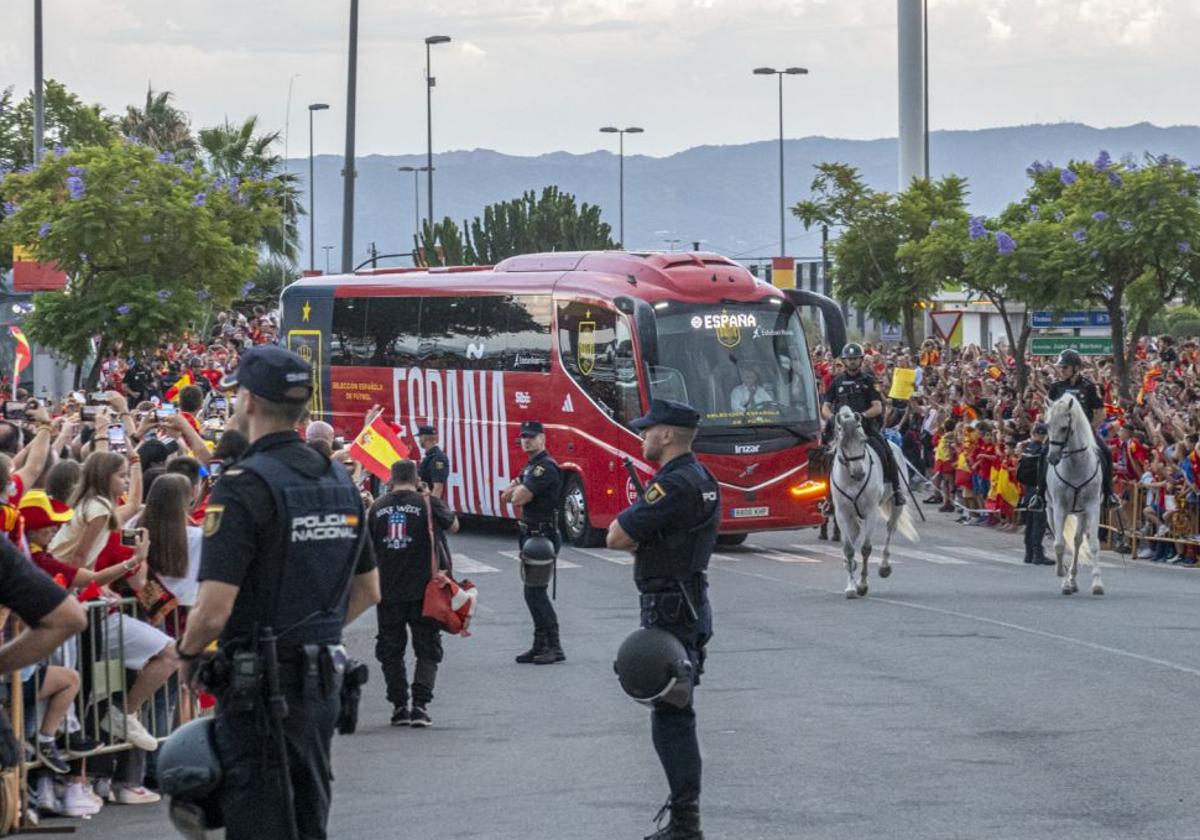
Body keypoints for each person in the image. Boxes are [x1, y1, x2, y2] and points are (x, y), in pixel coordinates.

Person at [176, 345, 380, 840]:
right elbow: (369, 590)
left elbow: (215, 608)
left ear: (247, 401)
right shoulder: (339, 480)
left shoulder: (244, 484)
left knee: (260, 819)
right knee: (309, 817)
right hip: (322, 682)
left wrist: (187, 654)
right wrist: (313, 628)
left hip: (260, 690)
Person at [606, 399, 719, 840]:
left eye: (649, 430)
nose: (643, 435)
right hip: (690, 602)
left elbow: (617, 535)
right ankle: (684, 819)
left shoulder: (672, 485)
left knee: (672, 716)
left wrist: (642, 539)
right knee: (676, 712)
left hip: (670, 608)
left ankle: (686, 824)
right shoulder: (703, 478)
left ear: (667, 435)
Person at [368, 459, 459, 728]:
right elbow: (453, 526)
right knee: (427, 648)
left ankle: (398, 706)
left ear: (391, 479)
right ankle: (420, 705)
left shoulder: (377, 507)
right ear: (416, 477)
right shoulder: (427, 504)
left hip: (387, 591)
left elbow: (367, 546)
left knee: (390, 650)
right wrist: (428, 496)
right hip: (425, 591)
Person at [500, 420, 564, 665]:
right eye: (524, 436)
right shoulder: (531, 466)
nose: (527, 440)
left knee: (535, 593)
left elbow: (517, 498)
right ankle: (540, 644)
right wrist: (517, 489)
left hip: (542, 535)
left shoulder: (544, 468)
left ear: (543, 439)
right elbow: (507, 496)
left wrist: (518, 489)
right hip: (529, 534)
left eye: (532, 436)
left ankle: (554, 646)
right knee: (532, 592)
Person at [1028, 349, 1119, 510]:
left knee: (1105, 452)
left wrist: (1088, 429)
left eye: (1065, 368)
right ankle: (1040, 495)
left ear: (1075, 368)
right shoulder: (1056, 387)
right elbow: (1051, 410)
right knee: (1043, 454)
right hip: (1061, 433)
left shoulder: (1089, 387)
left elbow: (1101, 413)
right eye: (1061, 368)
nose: (1061, 371)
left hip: (1084, 433)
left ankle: (1109, 493)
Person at [820, 343, 906, 507]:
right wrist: (832, 418)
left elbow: (878, 407)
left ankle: (896, 490)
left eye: (855, 359)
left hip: (864, 428)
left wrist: (862, 415)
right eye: (849, 359)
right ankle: (827, 497)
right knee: (822, 456)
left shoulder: (869, 381)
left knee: (885, 450)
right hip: (842, 430)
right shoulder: (837, 381)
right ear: (844, 361)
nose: (852, 362)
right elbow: (825, 407)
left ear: (860, 360)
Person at [1017, 424, 1052, 565]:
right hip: (1039, 489)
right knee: (1039, 523)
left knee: (1030, 523)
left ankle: (1028, 553)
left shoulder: (1028, 448)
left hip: (1028, 488)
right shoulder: (1043, 450)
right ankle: (1038, 554)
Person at [416, 425, 449, 500]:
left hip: (429, 501)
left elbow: (438, 486)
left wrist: (432, 506)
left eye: (420, 437)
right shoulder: (430, 456)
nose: (419, 440)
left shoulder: (438, 458)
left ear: (424, 438)